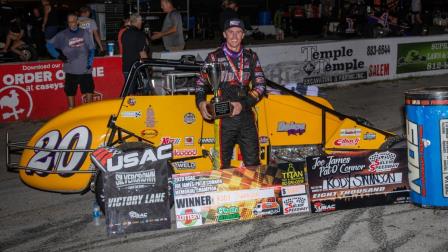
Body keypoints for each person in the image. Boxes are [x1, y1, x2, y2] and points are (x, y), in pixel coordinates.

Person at [195, 18, 266, 169]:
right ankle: (224, 192)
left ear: (243, 35)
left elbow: (260, 86)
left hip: (246, 114)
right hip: (223, 118)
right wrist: (201, 103)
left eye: (238, 32)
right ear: (224, 34)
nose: (234, 36)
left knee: (253, 163)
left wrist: (242, 104)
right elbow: (200, 85)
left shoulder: (251, 57)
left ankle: (253, 192)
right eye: (231, 32)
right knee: (221, 164)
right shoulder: (213, 58)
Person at [46, 13, 95, 109]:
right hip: (70, 70)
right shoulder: (62, 34)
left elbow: (92, 49)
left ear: (77, 22)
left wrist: (89, 63)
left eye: (73, 22)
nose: (71, 24)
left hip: (85, 70)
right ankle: (71, 113)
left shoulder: (85, 33)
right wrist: (59, 56)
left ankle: (90, 113)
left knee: (89, 92)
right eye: (69, 22)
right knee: (70, 93)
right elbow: (49, 45)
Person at [121, 13, 148, 82]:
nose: (142, 23)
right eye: (141, 21)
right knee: (143, 90)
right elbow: (142, 53)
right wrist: (147, 67)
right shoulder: (140, 34)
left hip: (126, 68)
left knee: (130, 91)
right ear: (138, 21)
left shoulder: (124, 33)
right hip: (137, 69)